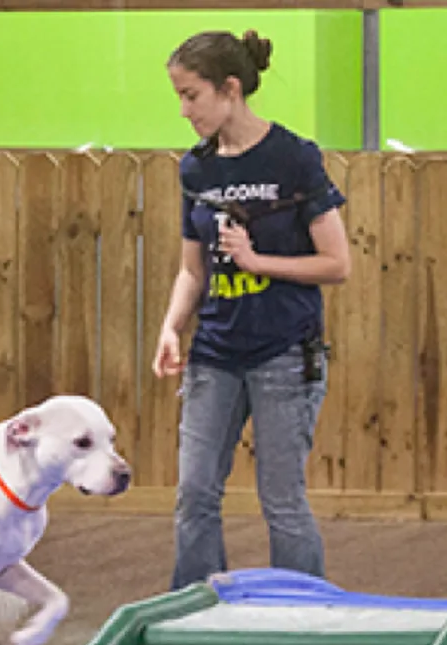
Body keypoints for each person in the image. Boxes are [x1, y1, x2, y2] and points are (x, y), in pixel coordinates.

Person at [154, 29, 352, 589]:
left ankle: (305, 616)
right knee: (194, 493)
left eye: (191, 95)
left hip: (285, 353)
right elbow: (193, 270)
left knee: (282, 500)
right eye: (179, 96)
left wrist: (259, 261)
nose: (184, 109)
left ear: (230, 89)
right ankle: (193, 611)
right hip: (214, 353)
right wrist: (171, 328)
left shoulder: (294, 158)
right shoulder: (196, 170)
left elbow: (337, 263)